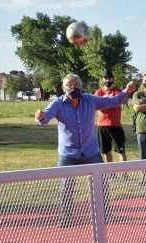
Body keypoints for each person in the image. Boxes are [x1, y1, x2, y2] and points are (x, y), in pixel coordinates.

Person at [35, 73, 135, 226]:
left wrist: (126, 92)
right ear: (63, 88)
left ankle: (106, 214)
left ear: (81, 87)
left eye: (76, 84)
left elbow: (112, 101)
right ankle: (66, 218)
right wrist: (40, 116)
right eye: (69, 84)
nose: (73, 87)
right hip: (68, 153)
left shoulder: (90, 99)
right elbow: (44, 118)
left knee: (101, 183)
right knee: (66, 186)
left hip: (90, 150)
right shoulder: (57, 104)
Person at [94, 70, 127, 163]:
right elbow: (97, 105)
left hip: (115, 124)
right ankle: (110, 173)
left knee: (121, 150)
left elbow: (118, 103)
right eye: (106, 78)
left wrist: (105, 104)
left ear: (113, 79)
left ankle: (124, 172)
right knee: (106, 151)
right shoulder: (98, 92)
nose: (108, 80)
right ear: (103, 79)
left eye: (109, 78)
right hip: (102, 125)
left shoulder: (118, 91)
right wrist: (111, 103)